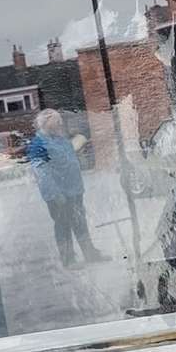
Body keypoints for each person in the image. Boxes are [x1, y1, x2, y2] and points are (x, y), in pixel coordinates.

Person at [25, 108, 106, 267]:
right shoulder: (38, 144)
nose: (60, 124)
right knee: (63, 226)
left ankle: (90, 254)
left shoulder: (60, 139)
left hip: (74, 190)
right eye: (57, 122)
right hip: (58, 194)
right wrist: (55, 195)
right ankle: (68, 260)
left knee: (80, 222)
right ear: (46, 123)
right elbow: (41, 172)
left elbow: (70, 156)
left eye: (60, 121)